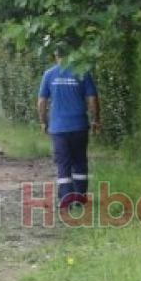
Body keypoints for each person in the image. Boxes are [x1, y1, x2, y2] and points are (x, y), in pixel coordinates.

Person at [37, 48, 101, 208]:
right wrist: (95, 119)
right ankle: (80, 198)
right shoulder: (82, 72)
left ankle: (66, 199)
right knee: (80, 161)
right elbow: (92, 99)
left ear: (56, 55)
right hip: (79, 126)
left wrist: (43, 121)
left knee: (63, 163)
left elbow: (42, 102)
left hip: (58, 128)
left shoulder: (49, 74)